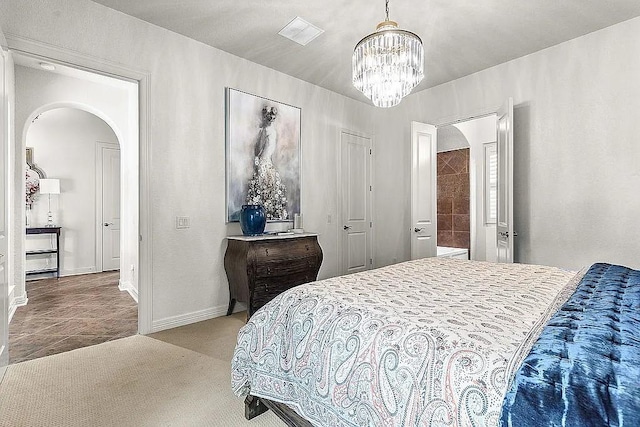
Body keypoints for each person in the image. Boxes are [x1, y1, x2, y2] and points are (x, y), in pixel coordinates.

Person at [246, 106, 288, 220]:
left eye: (273, 116)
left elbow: (271, 149)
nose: (271, 118)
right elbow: (259, 147)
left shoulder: (273, 131)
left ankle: (270, 214)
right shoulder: (265, 130)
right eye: (270, 116)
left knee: (272, 187)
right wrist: (258, 159)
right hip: (263, 161)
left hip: (268, 161)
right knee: (263, 187)